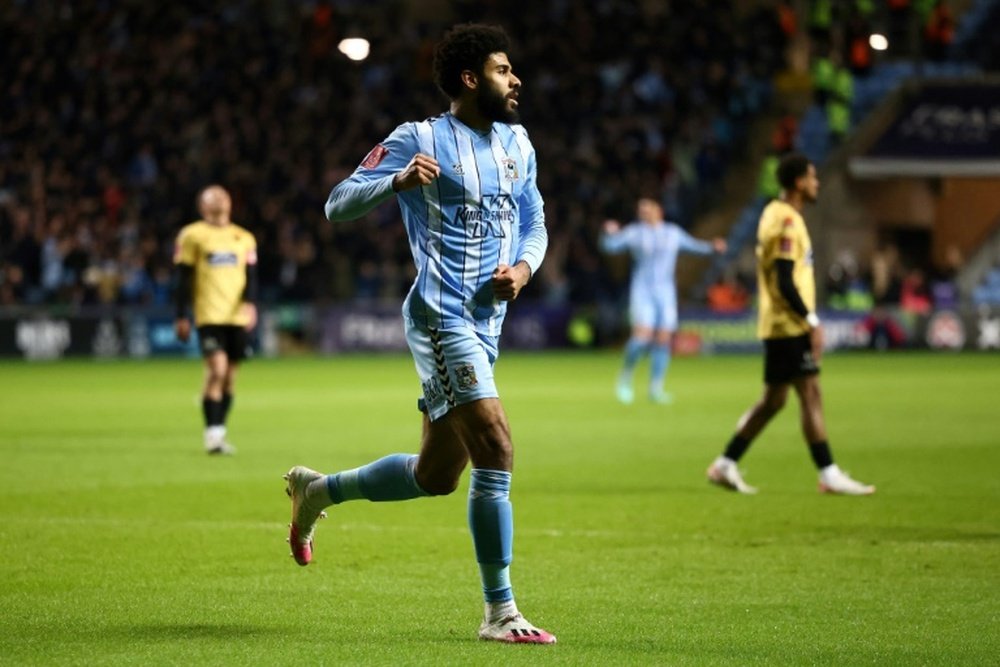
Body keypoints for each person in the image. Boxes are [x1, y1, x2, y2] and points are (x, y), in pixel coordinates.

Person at [283, 24, 555, 645]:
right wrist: (395, 183)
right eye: (503, 70)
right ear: (470, 78)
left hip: (488, 325)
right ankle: (501, 613)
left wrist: (524, 267)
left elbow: (535, 219)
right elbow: (338, 202)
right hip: (441, 316)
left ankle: (318, 491)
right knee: (498, 447)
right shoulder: (420, 138)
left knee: (437, 476)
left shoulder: (518, 143)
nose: (515, 81)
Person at [706, 153, 875, 495]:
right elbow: (784, 279)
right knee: (810, 392)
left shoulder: (773, 213)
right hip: (788, 324)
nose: (817, 184)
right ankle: (828, 473)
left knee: (774, 401)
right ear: (798, 182)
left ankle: (725, 464)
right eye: (812, 178)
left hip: (779, 323)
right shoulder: (786, 221)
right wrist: (811, 321)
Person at [600, 198, 726, 404]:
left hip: (666, 293)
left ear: (659, 211)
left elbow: (695, 247)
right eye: (641, 210)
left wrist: (713, 247)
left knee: (663, 339)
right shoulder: (634, 232)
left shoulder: (672, 233)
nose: (643, 213)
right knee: (642, 337)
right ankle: (625, 377)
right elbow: (610, 247)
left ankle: (655, 388)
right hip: (642, 291)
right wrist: (607, 233)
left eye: (647, 209)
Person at [173, 185, 258, 455]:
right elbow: (183, 278)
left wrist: (251, 306)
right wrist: (181, 315)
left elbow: (251, 277)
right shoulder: (192, 235)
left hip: (236, 316)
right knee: (217, 370)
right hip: (208, 315)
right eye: (212, 196)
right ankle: (212, 435)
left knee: (230, 379)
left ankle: (219, 433)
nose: (220, 197)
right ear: (202, 206)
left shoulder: (243, 237)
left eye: (223, 195)